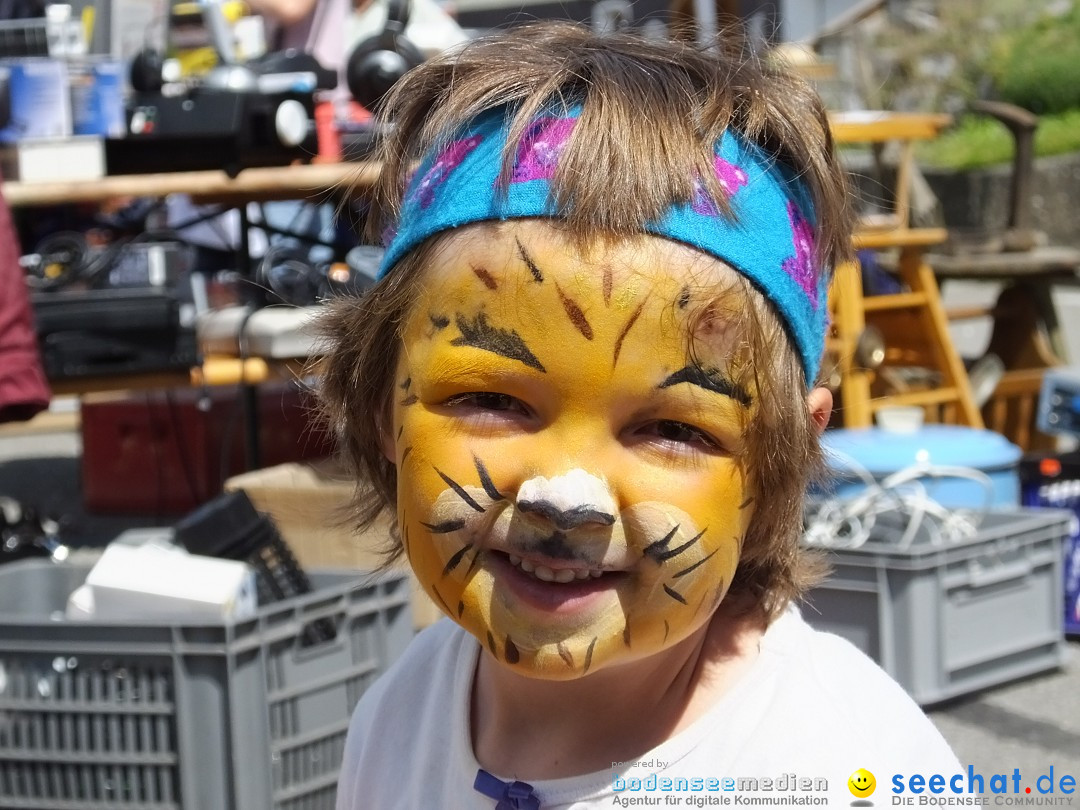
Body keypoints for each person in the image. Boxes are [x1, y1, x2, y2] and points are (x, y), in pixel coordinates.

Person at [321, 22, 962, 809]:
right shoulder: (398, 715)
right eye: (492, 400)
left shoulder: (846, 771)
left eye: (673, 429)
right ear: (381, 401)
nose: (566, 499)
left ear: (778, 459)